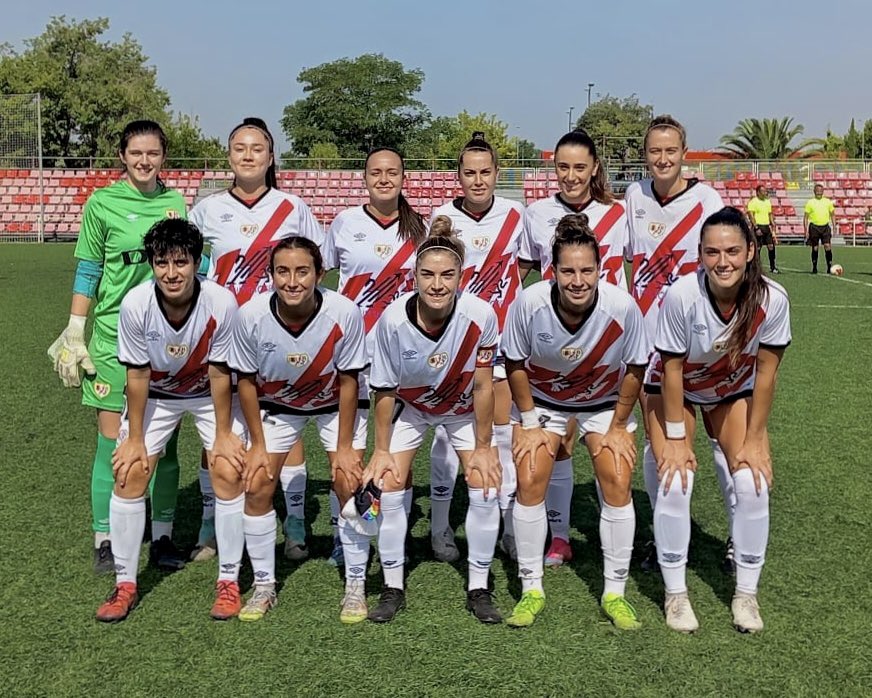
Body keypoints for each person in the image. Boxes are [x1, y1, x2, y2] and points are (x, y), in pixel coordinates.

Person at [47, 120, 188, 574]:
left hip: (167, 340)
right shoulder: (102, 203)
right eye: (136, 153)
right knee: (113, 441)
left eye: (153, 154)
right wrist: (75, 328)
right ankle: (104, 539)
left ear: (163, 156)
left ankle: (163, 537)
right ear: (122, 156)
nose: (145, 161)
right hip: (112, 338)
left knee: (163, 447)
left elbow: (191, 264)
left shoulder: (175, 203)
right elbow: (89, 269)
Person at [644, 207, 791, 633]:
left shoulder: (772, 300)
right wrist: (675, 438)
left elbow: (766, 373)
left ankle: (746, 593)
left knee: (752, 480)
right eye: (712, 252)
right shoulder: (681, 296)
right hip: (674, 389)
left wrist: (756, 438)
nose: (722, 261)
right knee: (675, 477)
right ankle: (676, 594)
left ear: (749, 251)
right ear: (700, 255)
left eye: (731, 251)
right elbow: (670, 370)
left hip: (730, 390)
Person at [503, 214, 649, 629]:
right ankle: (531, 587)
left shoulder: (621, 306)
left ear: (601, 270)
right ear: (553, 271)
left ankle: (614, 593)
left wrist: (619, 425)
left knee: (618, 478)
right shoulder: (529, 303)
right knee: (530, 476)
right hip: (546, 402)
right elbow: (514, 361)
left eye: (587, 270)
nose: (578, 280)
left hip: (603, 403)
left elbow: (636, 367)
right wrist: (529, 421)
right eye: (567, 270)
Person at [188, 117, 325, 563]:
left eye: (257, 148)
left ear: (270, 157)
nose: (248, 155)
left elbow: (310, 268)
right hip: (225, 335)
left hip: (279, 333)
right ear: (229, 155)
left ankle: (297, 525)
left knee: (286, 420)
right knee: (220, 430)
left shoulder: (293, 207)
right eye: (239, 148)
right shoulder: (206, 210)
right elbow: (193, 271)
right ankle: (210, 526)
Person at [95, 218, 241, 622]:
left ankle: (228, 581)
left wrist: (225, 436)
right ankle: (125, 583)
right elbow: (137, 376)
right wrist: (136, 438)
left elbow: (219, 373)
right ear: (151, 264)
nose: (171, 273)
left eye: (181, 262)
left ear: (197, 262)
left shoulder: (221, 302)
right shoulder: (136, 304)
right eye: (162, 263)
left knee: (228, 469)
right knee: (131, 471)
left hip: (207, 394)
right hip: (157, 393)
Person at [362, 217, 502, 624]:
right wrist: (381, 450)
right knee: (386, 487)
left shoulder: (481, 315)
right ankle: (392, 587)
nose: (437, 284)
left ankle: (479, 587)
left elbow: (482, 387)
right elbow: (385, 392)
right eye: (427, 275)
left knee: (484, 483)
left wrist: (483, 446)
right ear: (414, 276)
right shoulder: (390, 321)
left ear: (462, 275)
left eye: (447, 275)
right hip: (413, 408)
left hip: (460, 409)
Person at [220, 237, 367, 622]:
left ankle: (355, 582)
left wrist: (346, 446)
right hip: (277, 406)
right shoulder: (250, 315)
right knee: (257, 483)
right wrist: (257, 443)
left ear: (320, 273)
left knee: (350, 482)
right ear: (270, 275)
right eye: (282, 271)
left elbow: (350, 381)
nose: (292, 281)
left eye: (302, 271)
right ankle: (265, 584)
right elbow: (247, 383)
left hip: (334, 404)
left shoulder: (345, 312)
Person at [624, 115, 735, 574]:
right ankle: (665, 532)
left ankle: (736, 536)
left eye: (670, 150)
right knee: (660, 445)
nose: (663, 159)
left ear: (684, 153)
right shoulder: (634, 196)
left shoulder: (708, 199)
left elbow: (727, 262)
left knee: (724, 442)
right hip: (651, 343)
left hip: (702, 340)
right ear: (645, 154)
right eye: (654, 151)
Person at [519, 128, 630, 568]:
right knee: (560, 444)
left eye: (579, 167)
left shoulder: (618, 214)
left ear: (594, 168)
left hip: (605, 347)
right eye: (562, 167)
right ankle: (560, 535)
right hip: (554, 347)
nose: (570, 175)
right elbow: (524, 272)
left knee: (609, 451)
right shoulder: (536, 213)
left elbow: (630, 273)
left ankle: (615, 537)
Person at [322, 147, 428, 566]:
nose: (384, 179)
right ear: (364, 178)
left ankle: (385, 530)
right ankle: (344, 532)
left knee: (395, 450)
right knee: (348, 449)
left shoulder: (420, 228)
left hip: (403, 355)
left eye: (392, 172)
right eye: (376, 172)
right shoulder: (345, 223)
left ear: (404, 177)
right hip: (351, 353)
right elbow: (325, 279)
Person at [427, 132, 526, 563]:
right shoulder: (442, 216)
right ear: (458, 176)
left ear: (497, 174)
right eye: (470, 173)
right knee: (449, 438)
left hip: (502, 342)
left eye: (486, 172)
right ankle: (440, 526)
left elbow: (526, 266)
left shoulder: (516, 215)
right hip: (454, 344)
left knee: (500, 437)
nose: (478, 180)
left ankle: (505, 525)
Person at [803, 184, 836, 274]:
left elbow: (832, 214)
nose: (819, 191)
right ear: (814, 191)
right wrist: (805, 230)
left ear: (823, 191)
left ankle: (829, 267)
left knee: (827, 246)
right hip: (814, 227)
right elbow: (805, 217)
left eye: (820, 190)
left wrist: (834, 226)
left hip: (825, 227)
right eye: (817, 190)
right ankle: (814, 267)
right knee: (815, 248)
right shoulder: (810, 202)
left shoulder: (828, 202)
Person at [746, 185, 779, 274]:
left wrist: (772, 223)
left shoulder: (767, 202)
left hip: (766, 227)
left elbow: (769, 214)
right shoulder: (753, 202)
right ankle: (755, 268)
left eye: (765, 191)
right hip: (758, 226)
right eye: (763, 191)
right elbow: (751, 215)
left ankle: (773, 267)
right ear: (758, 192)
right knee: (758, 248)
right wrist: (756, 227)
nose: (765, 193)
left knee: (771, 247)